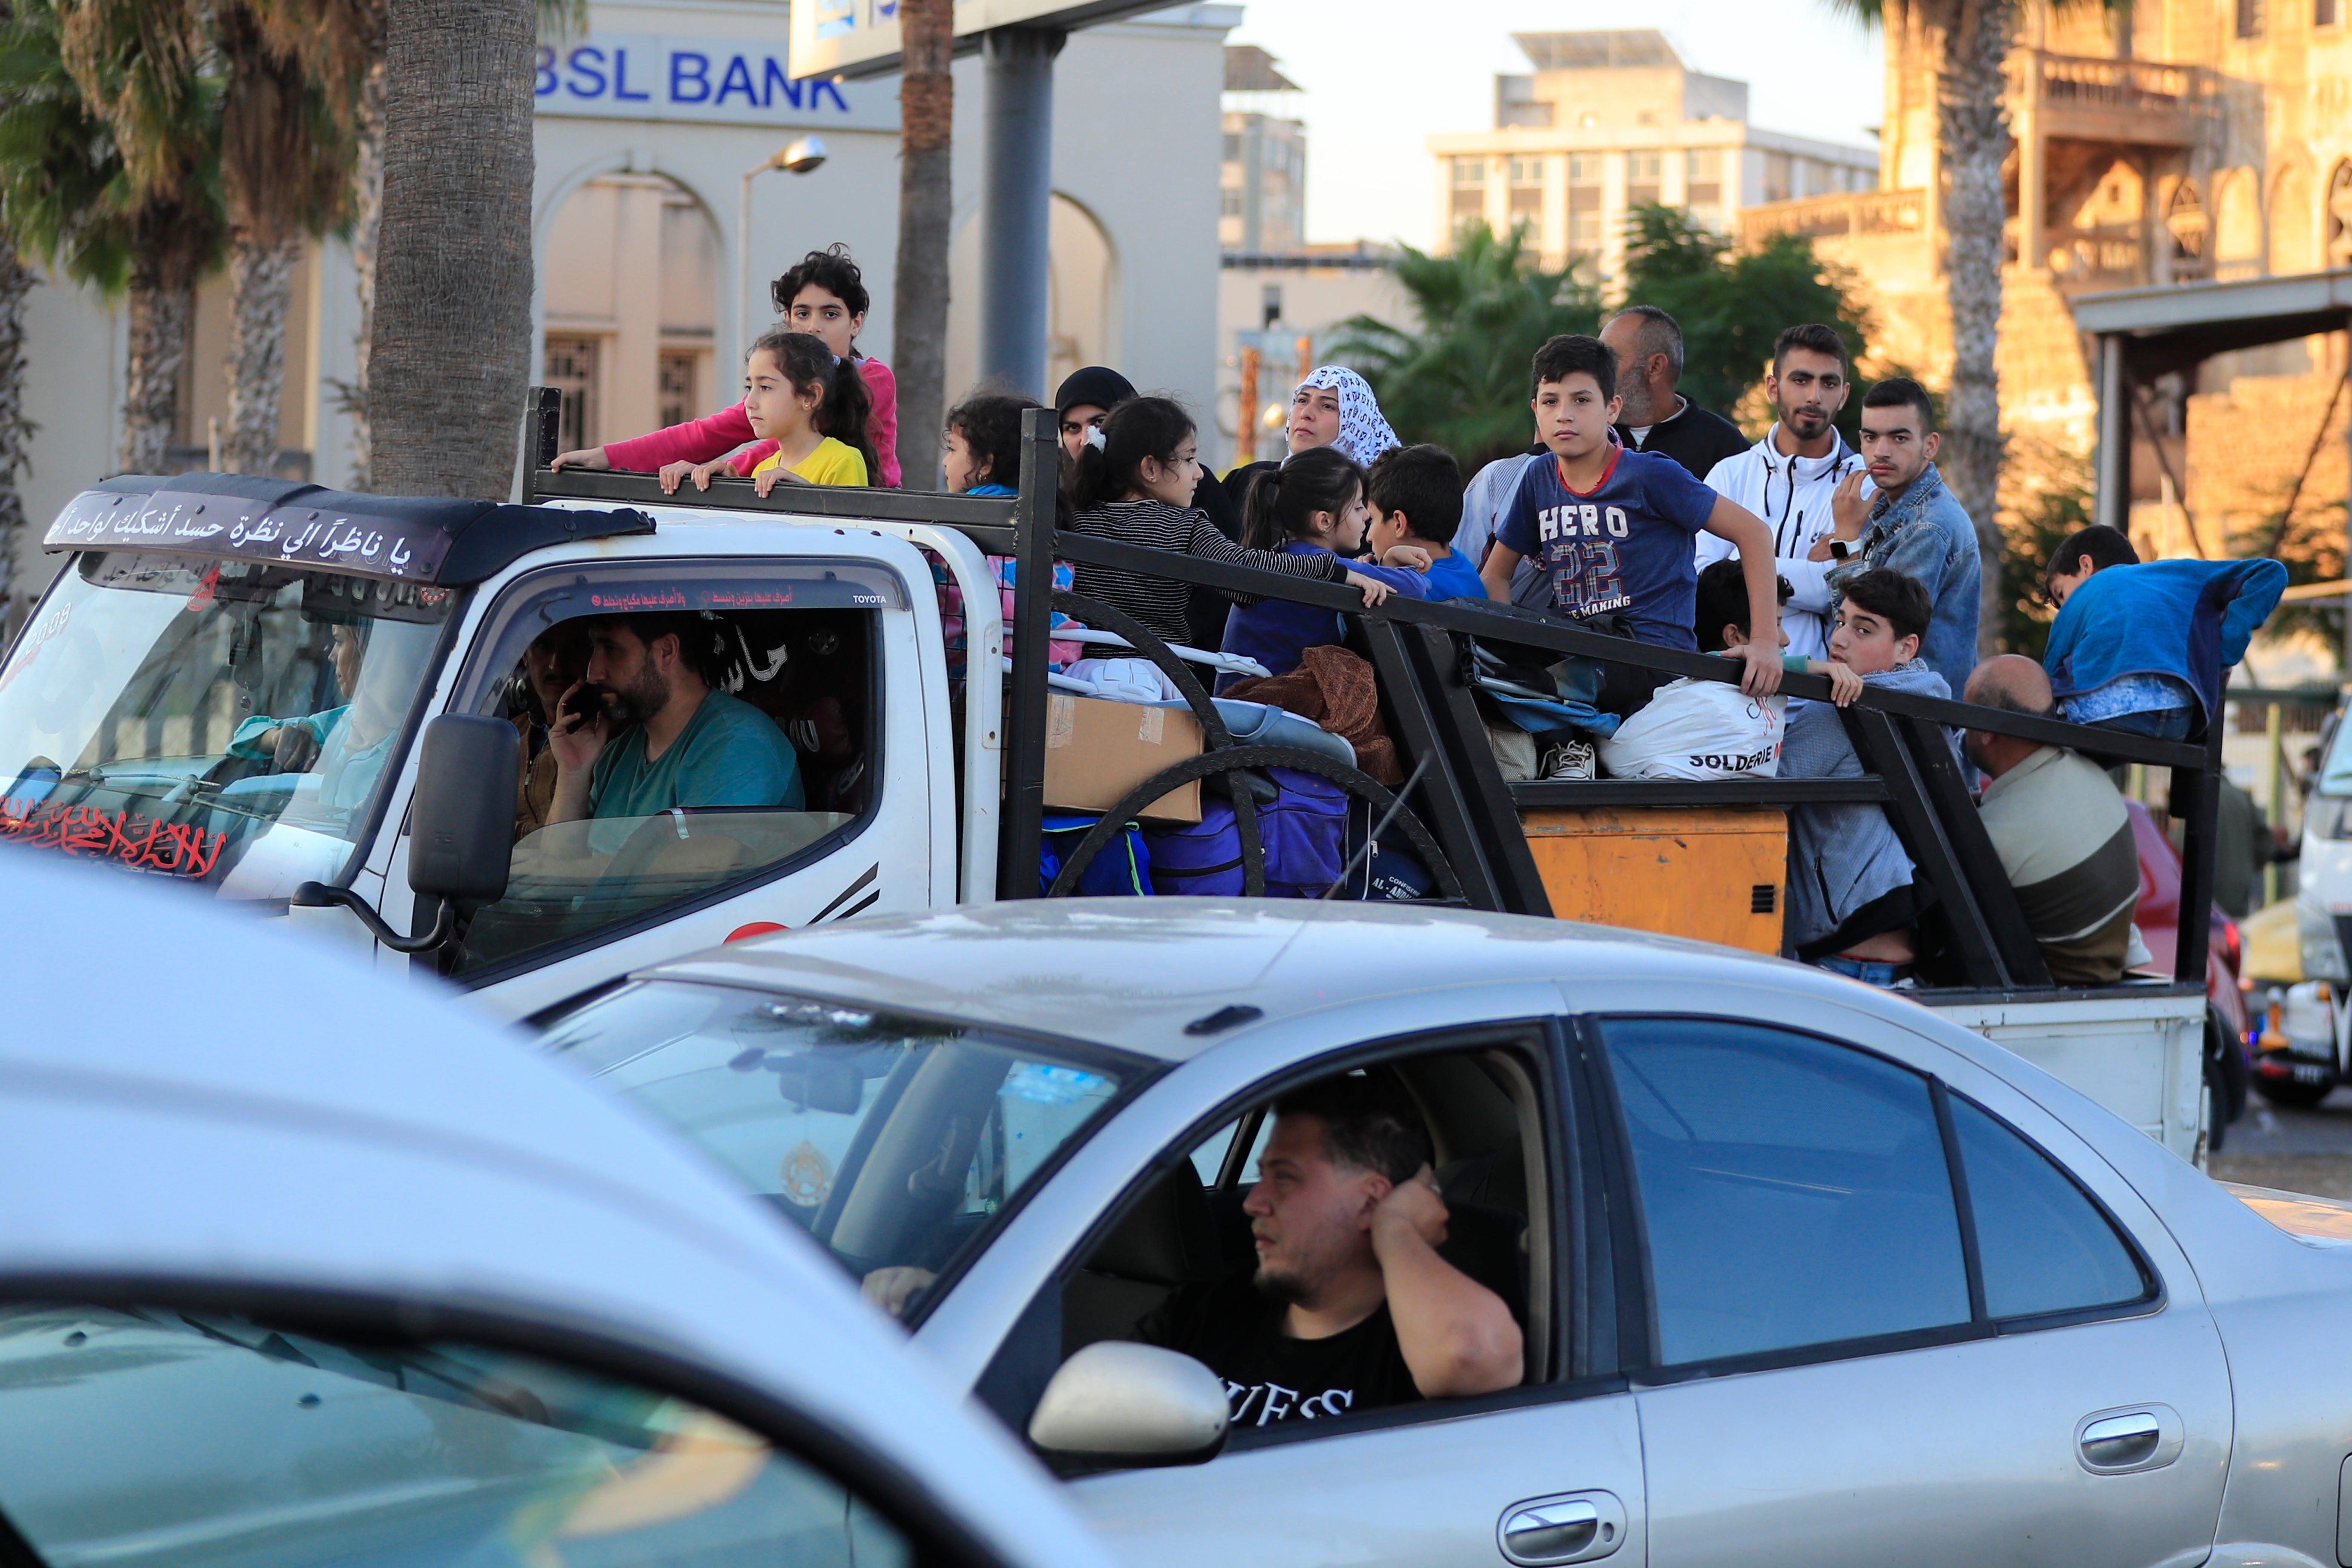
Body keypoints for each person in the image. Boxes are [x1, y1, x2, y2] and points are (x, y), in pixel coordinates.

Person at [1137, 1074, 1523, 1427]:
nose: (1254, 1202)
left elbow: (1472, 1359)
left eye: (1285, 1178)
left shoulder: (1419, 1339)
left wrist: (1396, 1227)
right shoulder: (1205, 1312)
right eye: (1262, 1176)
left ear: (1372, 1202)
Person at [1479, 334, 1785, 717]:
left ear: (1612, 409)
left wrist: (1764, 642)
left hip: (1648, 657)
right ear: (1536, 410)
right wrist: (1511, 643)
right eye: (1551, 401)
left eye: (1582, 400)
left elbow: (1754, 533)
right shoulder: (1539, 476)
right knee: (1474, 666)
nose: (1564, 414)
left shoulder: (1649, 474)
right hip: (1576, 647)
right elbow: (1496, 576)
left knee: (1519, 683)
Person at [550, 245, 901, 488]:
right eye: (802, 313)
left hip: (880, 527)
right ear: (788, 320)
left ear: (856, 323)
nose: (814, 326)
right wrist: (608, 457)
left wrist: (734, 468)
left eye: (831, 314)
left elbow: (802, 439)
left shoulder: (873, 379)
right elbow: (710, 433)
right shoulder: (782, 385)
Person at [1064, 396, 1396, 649]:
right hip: (1151, 682)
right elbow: (1249, 574)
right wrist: (1337, 571)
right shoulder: (1185, 526)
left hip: (1074, 678)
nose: (1198, 473)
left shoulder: (1074, 516)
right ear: (1150, 468)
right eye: (1190, 458)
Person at [1781, 569, 1947, 984]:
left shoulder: (1837, 712)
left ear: (1906, 648)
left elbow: (1762, 799)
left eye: (1863, 629)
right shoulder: (1931, 704)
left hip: (1845, 959)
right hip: (1902, 949)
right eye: (1840, 621)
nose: (1839, 639)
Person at [1962, 655, 2140, 986]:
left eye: (1966, 713)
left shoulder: (2000, 833)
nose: (1962, 730)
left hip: (2056, 989)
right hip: (2103, 974)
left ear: (1987, 730)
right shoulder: (2088, 776)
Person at [1697, 323, 1868, 662]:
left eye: (1828, 383)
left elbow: (1845, 596)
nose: (1814, 397)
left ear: (1844, 395)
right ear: (1773, 388)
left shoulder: (1864, 484)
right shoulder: (1730, 474)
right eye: (1801, 380)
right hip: (1729, 684)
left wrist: (1738, 560)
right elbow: (1703, 581)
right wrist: (1813, 570)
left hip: (1817, 698)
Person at [546, 612, 803, 830]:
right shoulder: (618, 754)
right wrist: (574, 772)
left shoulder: (738, 742)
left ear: (666, 652)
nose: (594, 674)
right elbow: (555, 867)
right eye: (594, 650)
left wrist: (571, 870)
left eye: (611, 649)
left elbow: (695, 872)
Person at [1810, 377, 1981, 698]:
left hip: (1915, 717)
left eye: (1899, 438)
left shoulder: (1929, 528)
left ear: (1930, 446)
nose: (1881, 452)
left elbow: (1873, 630)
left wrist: (1846, 544)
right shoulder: (1888, 507)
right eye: (1870, 437)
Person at [2042, 524, 2287, 742]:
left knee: (2046, 733)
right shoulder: (2173, 576)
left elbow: (2049, 675)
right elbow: (2271, 573)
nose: (2064, 607)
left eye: (2061, 594)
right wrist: (2224, 649)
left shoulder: (2084, 596)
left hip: (2104, 715)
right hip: (2180, 721)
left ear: (2086, 566)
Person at [1223, 447, 1426, 685]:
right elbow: (1415, 587)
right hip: (1273, 708)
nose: (1366, 516)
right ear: (1325, 521)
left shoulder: (1284, 557)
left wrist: (1385, 565)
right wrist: (1394, 565)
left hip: (1237, 699)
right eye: (1359, 507)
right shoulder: (1321, 564)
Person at [226, 622, 420, 821]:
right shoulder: (341, 723)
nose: (331, 656)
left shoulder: (419, 747)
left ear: (374, 654)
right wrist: (278, 737)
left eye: (339, 642)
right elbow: (243, 736)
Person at [1599, 306, 1749, 479]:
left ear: (1655, 367)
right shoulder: (1587, 435)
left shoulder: (1723, 447)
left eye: (1609, 359)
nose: (1595, 369)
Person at [1222, 365, 1401, 503]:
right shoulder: (1248, 481)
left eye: (1327, 406)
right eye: (1302, 400)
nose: (1306, 413)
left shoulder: (1378, 501)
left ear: (1357, 425)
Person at [1693, 558, 1861, 705]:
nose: (1786, 640)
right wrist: (1818, 668)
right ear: (1734, 636)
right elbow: (1716, 661)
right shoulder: (1696, 687)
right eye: (1775, 625)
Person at [1366, 444, 1483, 602]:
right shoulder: (1462, 566)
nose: (1369, 537)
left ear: (1399, 524)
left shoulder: (1414, 590)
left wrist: (1371, 576)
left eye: (1373, 519)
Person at [509, 622, 591, 839]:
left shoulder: (605, 740)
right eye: (543, 646)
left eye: (575, 647)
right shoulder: (505, 736)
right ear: (525, 656)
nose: (557, 665)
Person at [943, 389, 1041, 497]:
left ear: (986, 464)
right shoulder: (1044, 503)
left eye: (952, 449)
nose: (945, 462)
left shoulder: (971, 511)